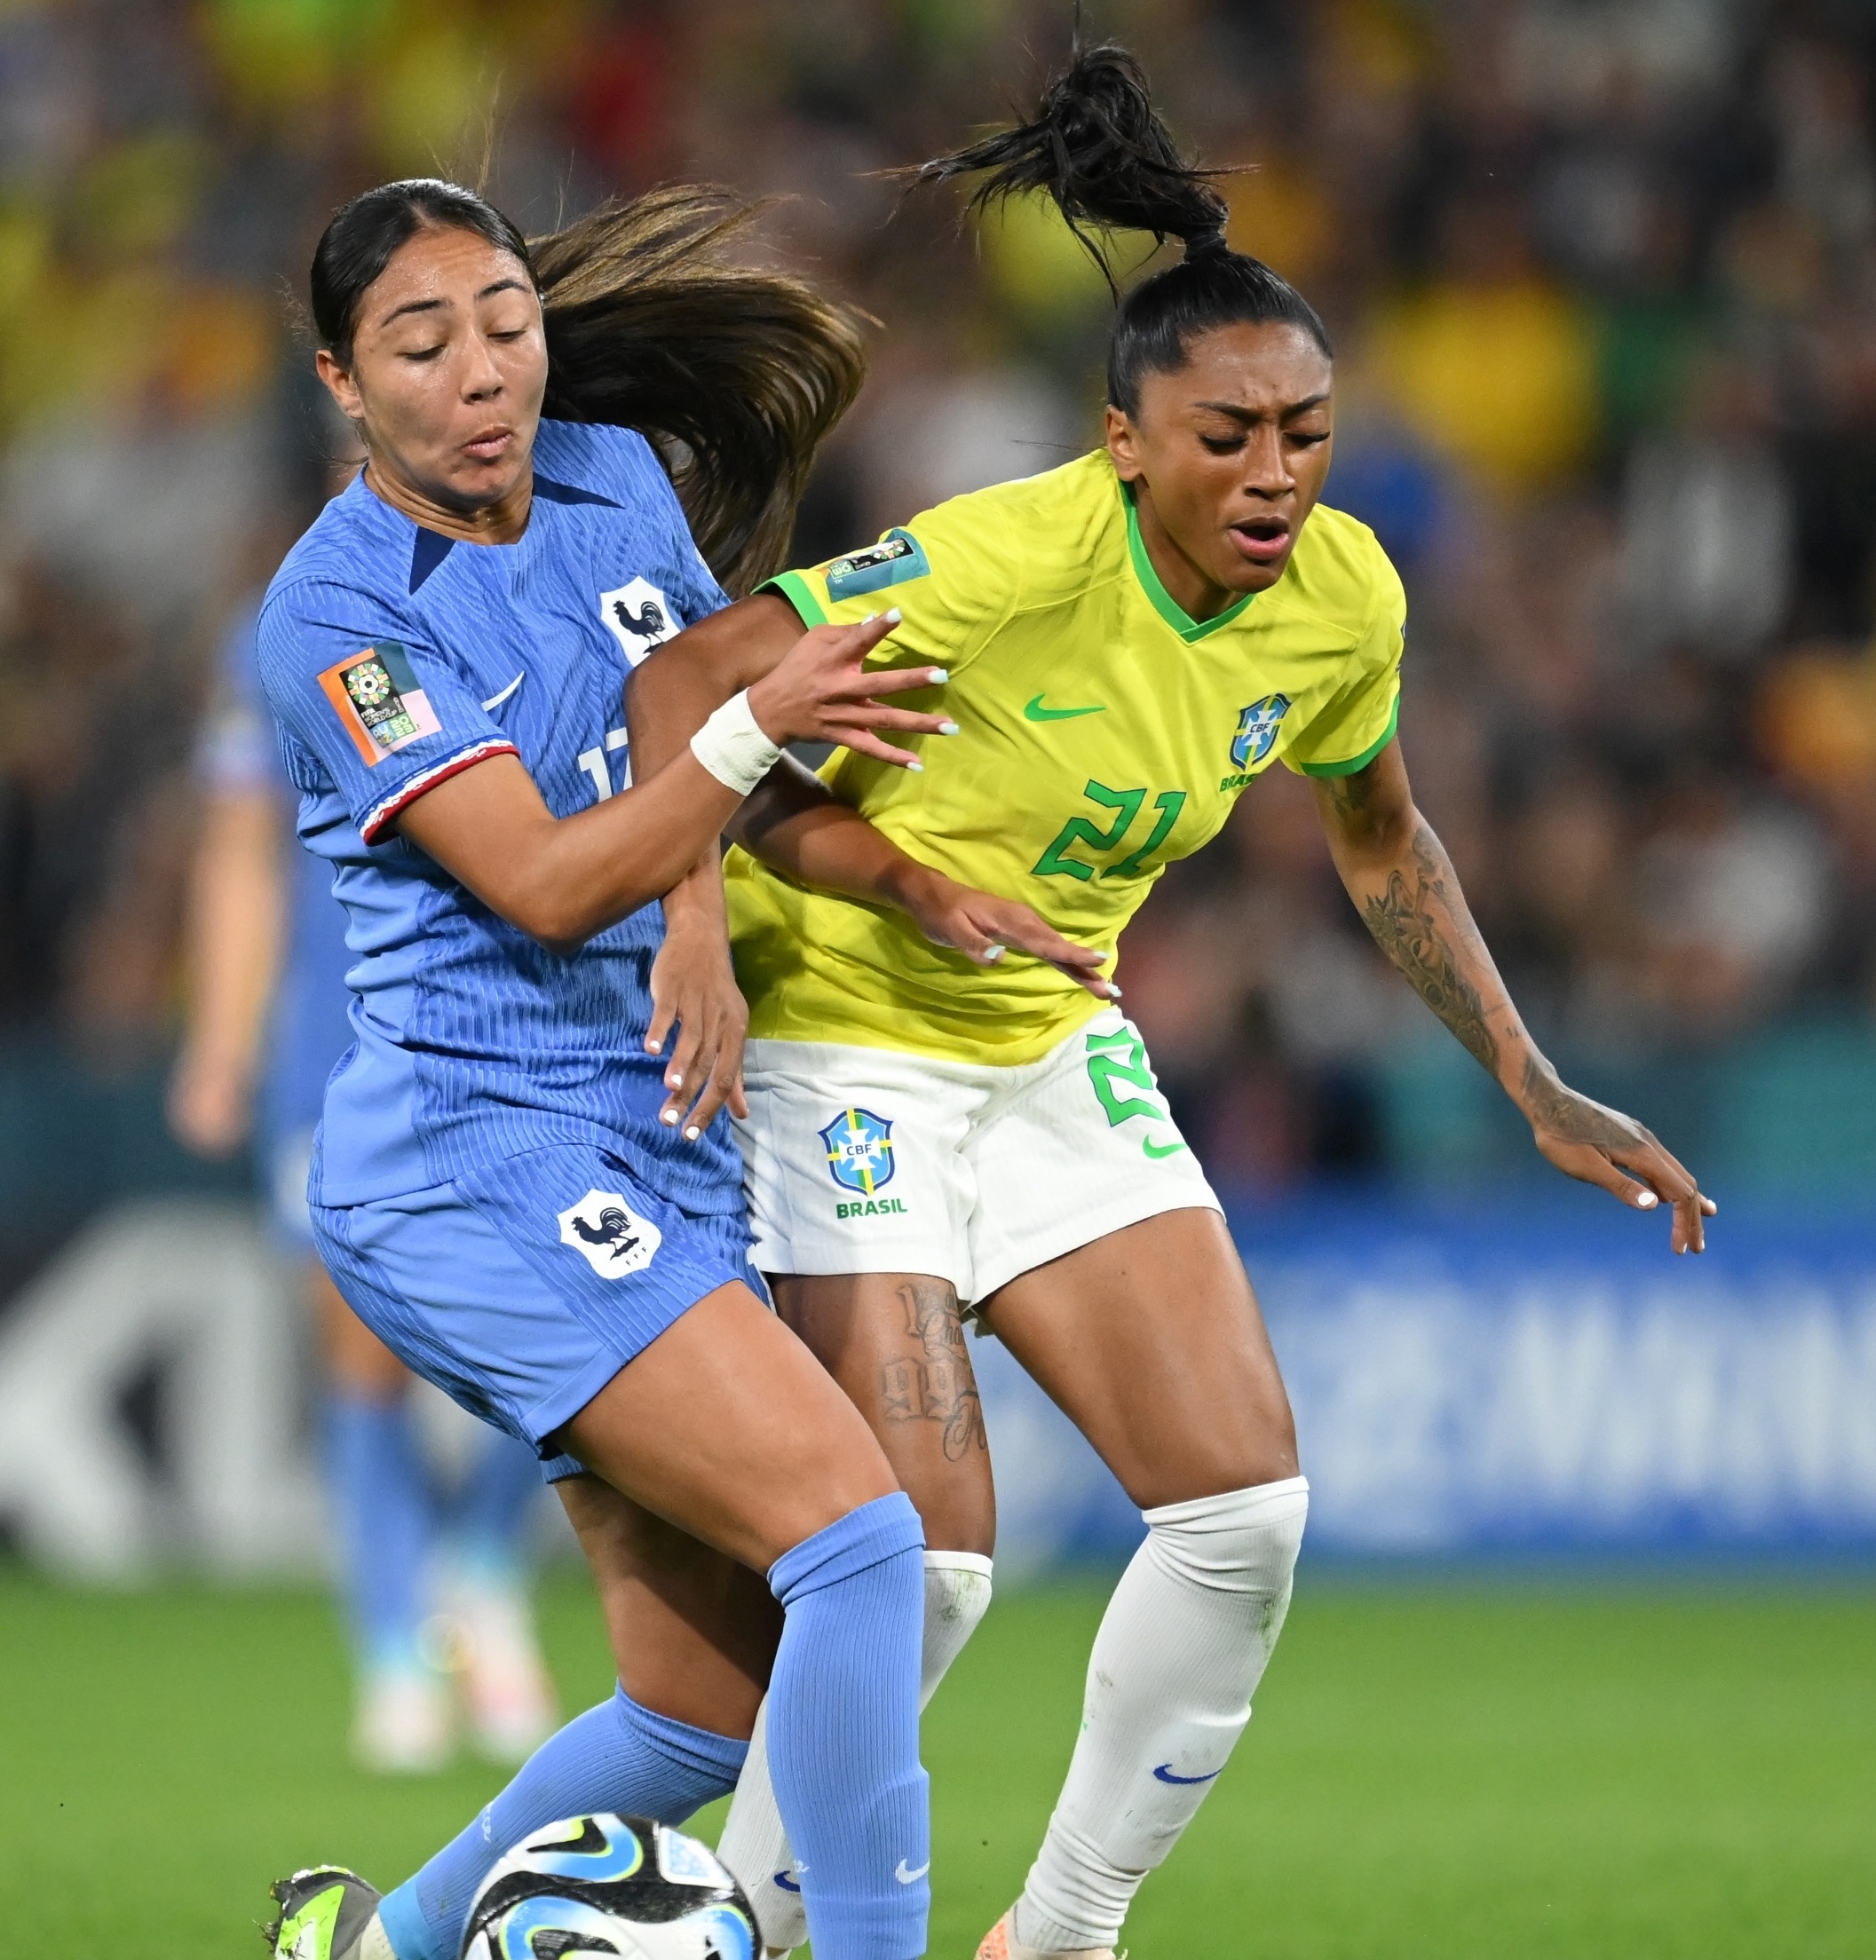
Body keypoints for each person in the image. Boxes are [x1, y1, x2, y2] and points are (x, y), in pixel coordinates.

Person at [622, 43, 1717, 1960]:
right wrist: (690, 922)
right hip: (839, 1035)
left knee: (1243, 1521)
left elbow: (1384, 842)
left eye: (1303, 428)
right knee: (930, 1570)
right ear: (1126, 439)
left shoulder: (1345, 598)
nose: (1274, 472)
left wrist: (1533, 1077)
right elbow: (688, 682)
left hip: (1048, 1036)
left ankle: (1058, 1938)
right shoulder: (1006, 557)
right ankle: (739, 1940)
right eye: (1227, 436)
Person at [257, 178, 1027, 1960]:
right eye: (422, 344)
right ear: (341, 384)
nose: (481, 373)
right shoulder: (339, 616)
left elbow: (682, 735)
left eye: (506, 323)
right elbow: (537, 879)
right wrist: (746, 751)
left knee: (695, 1714)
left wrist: (780, 891)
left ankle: (378, 1948)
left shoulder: (611, 481)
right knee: (856, 1546)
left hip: (654, 1127)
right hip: (477, 1153)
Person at [172, 564, 559, 1774]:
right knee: (356, 1344)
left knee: (552, 1335)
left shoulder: (545, 598)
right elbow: (240, 850)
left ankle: (480, 1568)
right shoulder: (278, 627)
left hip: (521, 1034)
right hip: (338, 1043)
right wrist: (223, 1041)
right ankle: (397, 1651)